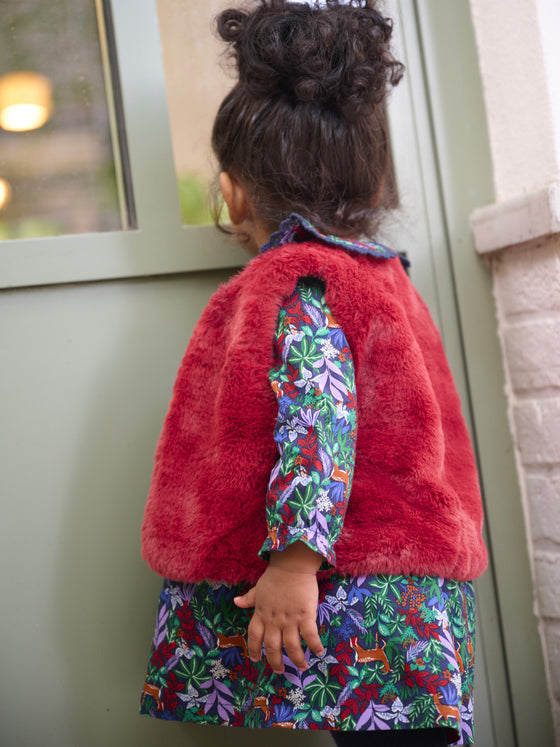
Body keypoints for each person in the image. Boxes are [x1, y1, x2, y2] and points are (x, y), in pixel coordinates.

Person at [139, 1, 487, 745]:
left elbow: (318, 418)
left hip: (355, 586)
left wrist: (294, 564)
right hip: (402, 580)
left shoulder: (300, 283)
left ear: (232, 191)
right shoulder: (381, 274)